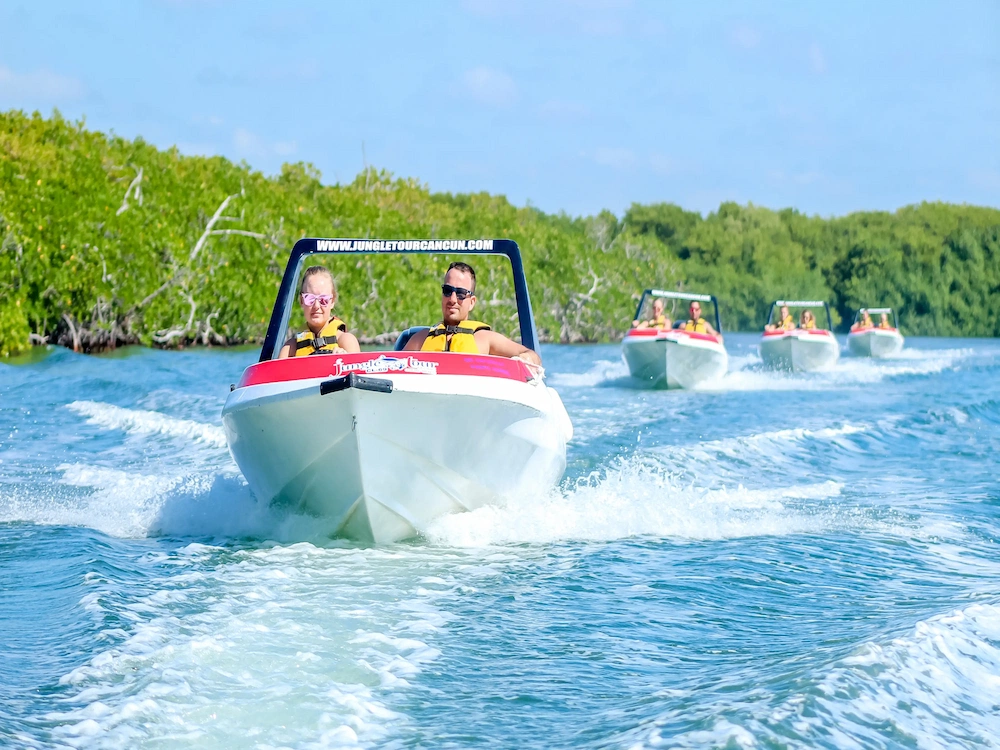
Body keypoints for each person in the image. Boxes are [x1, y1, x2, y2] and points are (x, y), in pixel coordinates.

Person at [403, 261, 541, 365]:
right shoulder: (419, 340)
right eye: (447, 291)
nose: (452, 299)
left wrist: (526, 359)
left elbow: (532, 356)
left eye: (461, 294)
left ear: (472, 302)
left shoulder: (486, 339)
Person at [277, 265, 360, 358]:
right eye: (310, 299)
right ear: (301, 301)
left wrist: (345, 360)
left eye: (323, 299)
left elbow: (357, 371)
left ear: (332, 301)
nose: (316, 306)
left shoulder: (346, 342)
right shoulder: (290, 349)